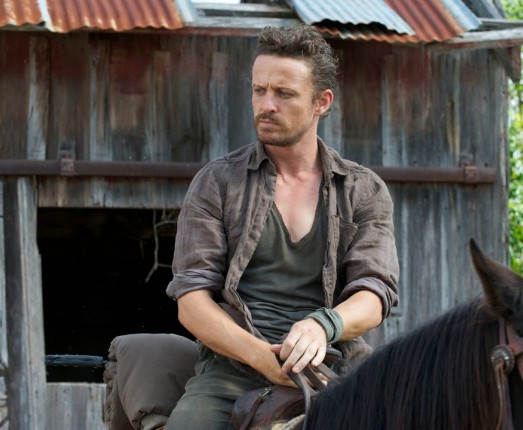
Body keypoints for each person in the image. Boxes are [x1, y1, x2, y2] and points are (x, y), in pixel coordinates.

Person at [165, 24, 399, 429]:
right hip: (232, 372)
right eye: (259, 90)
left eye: (284, 94)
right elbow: (191, 301)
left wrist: (323, 325)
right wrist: (260, 357)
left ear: (321, 102)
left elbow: (374, 293)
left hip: (332, 368)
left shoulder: (363, 190)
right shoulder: (217, 182)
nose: (266, 105)